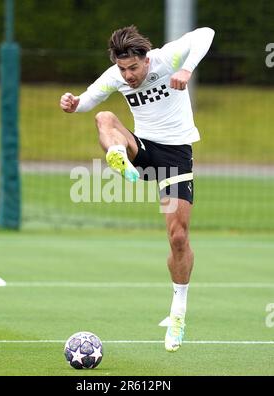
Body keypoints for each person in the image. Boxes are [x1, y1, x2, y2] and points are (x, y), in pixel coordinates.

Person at [60, 25, 215, 352]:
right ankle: (118, 156)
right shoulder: (116, 75)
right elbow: (89, 100)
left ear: (146, 60)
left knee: (178, 237)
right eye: (122, 69)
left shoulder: (166, 58)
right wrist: (74, 103)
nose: (128, 76)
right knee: (104, 117)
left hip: (175, 156)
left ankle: (178, 311)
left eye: (133, 68)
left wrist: (187, 69)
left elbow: (206, 33)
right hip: (141, 148)